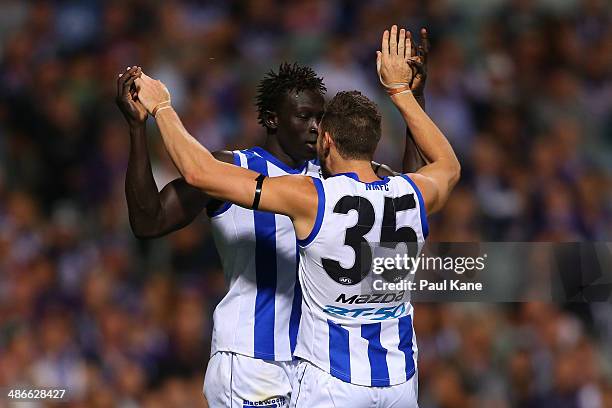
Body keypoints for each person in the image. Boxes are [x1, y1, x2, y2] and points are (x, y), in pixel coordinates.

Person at [133, 24, 459, 407]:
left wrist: (414, 96)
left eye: (320, 119)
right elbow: (149, 220)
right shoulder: (234, 167)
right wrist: (138, 128)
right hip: (254, 357)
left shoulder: (328, 183)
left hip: (313, 363)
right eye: (304, 116)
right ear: (273, 119)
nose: (315, 127)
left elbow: (403, 191)